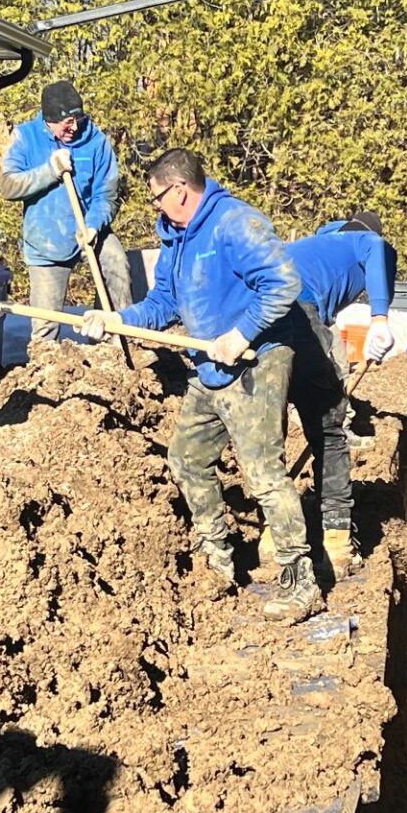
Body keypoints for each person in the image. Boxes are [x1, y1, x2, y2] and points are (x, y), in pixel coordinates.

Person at [81, 148, 323, 624]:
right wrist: (116, 320)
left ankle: (301, 581)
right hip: (209, 369)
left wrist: (241, 333)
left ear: (180, 190)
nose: (155, 207)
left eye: (157, 198)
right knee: (187, 457)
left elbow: (283, 281)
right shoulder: (176, 236)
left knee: (263, 473)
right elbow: (164, 301)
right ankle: (218, 556)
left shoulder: (234, 223)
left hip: (255, 364)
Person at [285, 213, 398, 580]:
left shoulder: (316, 245)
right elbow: (375, 247)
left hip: (257, 313)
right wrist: (380, 319)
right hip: (297, 312)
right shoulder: (362, 241)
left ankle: (275, 537)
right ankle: (335, 543)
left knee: (268, 425)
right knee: (330, 432)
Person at [0, 80, 132, 342]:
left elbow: (106, 195)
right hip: (46, 242)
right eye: (66, 122)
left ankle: (122, 343)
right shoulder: (26, 137)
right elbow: (8, 186)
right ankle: (47, 373)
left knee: (117, 260)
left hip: (89, 231)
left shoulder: (95, 141)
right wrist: (50, 171)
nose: (73, 127)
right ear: (48, 120)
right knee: (46, 327)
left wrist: (94, 225)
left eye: (77, 119)